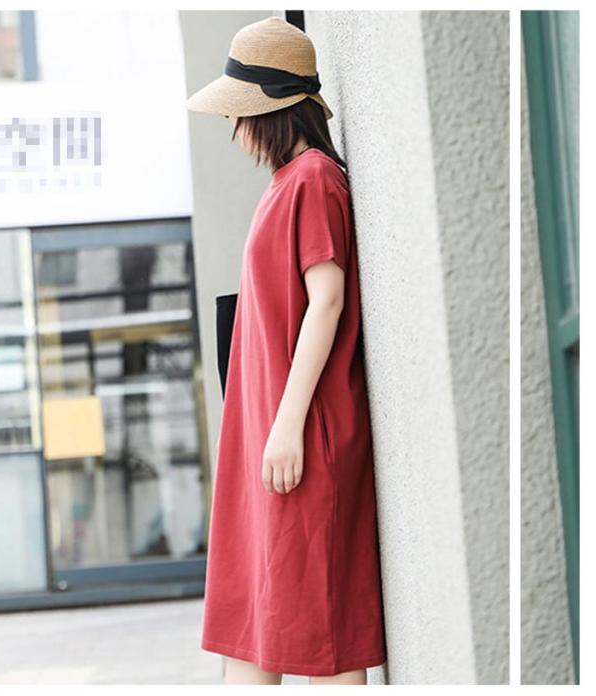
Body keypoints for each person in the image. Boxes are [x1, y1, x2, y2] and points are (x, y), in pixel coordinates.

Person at [186, 15, 386, 686]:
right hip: (268, 434)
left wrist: (287, 425)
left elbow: (326, 300)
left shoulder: (313, 180)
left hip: (296, 436)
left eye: (238, 111)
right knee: (251, 626)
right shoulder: (288, 183)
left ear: (269, 110)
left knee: (320, 628)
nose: (233, 126)